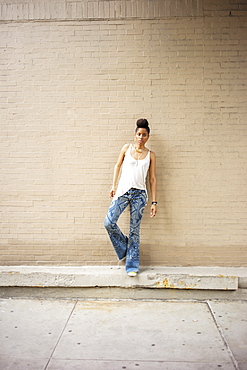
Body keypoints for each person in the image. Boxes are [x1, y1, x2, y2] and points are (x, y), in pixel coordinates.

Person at [104, 118, 157, 277]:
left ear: (148, 137)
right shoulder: (126, 148)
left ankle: (132, 265)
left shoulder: (151, 155)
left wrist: (154, 201)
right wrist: (113, 186)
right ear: (135, 135)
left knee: (135, 230)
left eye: (144, 135)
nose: (141, 137)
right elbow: (117, 166)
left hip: (139, 195)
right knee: (109, 222)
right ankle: (125, 248)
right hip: (123, 192)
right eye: (139, 134)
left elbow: (152, 179)